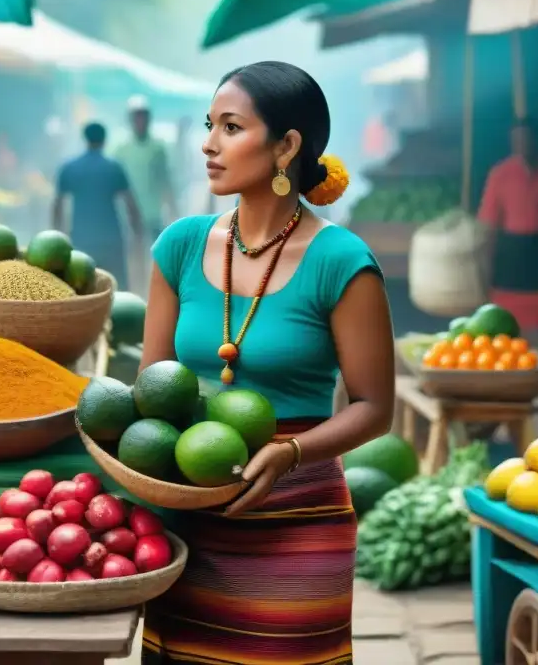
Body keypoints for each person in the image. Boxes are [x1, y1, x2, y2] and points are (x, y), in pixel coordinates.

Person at [140, 61, 395, 665]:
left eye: (230, 127)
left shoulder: (341, 260)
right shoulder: (178, 246)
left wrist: (288, 454)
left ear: (286, 147)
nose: (208, 144)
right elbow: (150, 392)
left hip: (298, 518)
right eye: (210, 125)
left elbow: (375, 409)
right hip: (189, 519)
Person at [478, 118, 538, 343]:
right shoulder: (500, 173)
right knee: (505, 326)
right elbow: (489, 227)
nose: (522, 146)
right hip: (510, 257)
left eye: (527, 140)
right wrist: (486, 270)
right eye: (517, 141)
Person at [53, 122, 145, 291]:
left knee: (81, 289)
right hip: (112, 240)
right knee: (117, 290)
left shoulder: (70, 168)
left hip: (81, 239)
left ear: (85, 139)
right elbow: (131, 205)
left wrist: (58, 235)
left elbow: (58, 206)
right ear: (104, 140)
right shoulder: (113, 167)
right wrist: (137, 236)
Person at [111, 95, 176, 240]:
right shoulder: (121, 149)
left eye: (143, 116)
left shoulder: (157, 148)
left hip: (153, 213)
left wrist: (172, 209)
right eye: (136, 117)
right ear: (130, 119)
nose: (140, 121)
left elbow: (165, 180)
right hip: (127, 215)